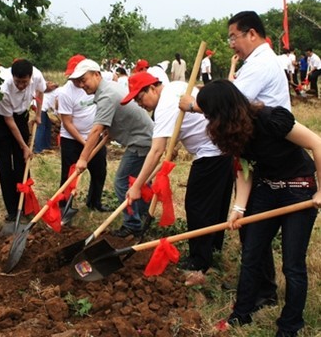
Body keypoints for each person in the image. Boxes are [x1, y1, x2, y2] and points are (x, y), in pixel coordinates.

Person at [196, 79, 321, 337]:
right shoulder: (232, 130)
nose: (207, 119)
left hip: (298, 188)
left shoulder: (270, 118)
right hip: (266, 189)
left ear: (221, 109)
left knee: (292, 264)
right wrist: (239, 207)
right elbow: (244, 167)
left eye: (208, 113)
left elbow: (316, 143)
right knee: (251, 254)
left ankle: (290, 326)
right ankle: (242, 314)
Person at [123, 72, 233, 285]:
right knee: (216, 204)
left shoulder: (164, 106)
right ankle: (213, 248)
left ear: (153, 88)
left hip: (210, 153)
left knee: (197, 207)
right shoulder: (175, 87)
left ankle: (199, 262)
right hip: (224, 147)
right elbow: (189, 125)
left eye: (140, 97)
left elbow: (156, 151)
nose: (140, 104)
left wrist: (137, 185)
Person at [70, 59, 153, 237]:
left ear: (97, 75)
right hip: (146, 137)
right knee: (141, 180)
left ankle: (133, 224)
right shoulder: (110, 88)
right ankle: (145, 216)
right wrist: (112, 129)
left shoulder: (107, 95)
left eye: (84, 79)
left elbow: (96, 129)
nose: (81, 85)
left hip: (141, 141)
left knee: (122, 182)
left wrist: (83, 158)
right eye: (78, 82)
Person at [0, 59, 44, 222]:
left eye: (24, 82)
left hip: (20, 116)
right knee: (5, 164)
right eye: (17, 82)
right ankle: (13, 210)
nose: (21, 85)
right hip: (0, 120)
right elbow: (9, 121)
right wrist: (24, 145)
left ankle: (26, 205)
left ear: (30, 77)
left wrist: (38, 114)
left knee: (22, 162)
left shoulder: (38, 76)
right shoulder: (1, 89)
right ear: (12, 76)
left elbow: (41, 92)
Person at [58, 55, 110, 214]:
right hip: (72, 140)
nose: (76, 81)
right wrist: (84, 142)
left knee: (99, 171)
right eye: (72, 77)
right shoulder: (65, 93)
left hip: (95, 137)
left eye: (79, 77)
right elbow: (67, 122)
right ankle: (65, 206)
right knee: (69, 174)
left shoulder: (95, 83)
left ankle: (94, 202)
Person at [227, 11, 291, 110]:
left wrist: (194, 106)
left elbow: (230, 104)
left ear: (252, 34)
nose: (231, 45)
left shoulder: (260, 63)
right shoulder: (262, 58)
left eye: (233, 38)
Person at [33, 81, 58, 154]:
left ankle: (47, 146)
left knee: (48, 125)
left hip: (43, 107)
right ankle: (38, 149)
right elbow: (57, 105)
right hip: (40, 107)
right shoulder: (61, 93)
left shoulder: (58, 91)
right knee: (41, 127)